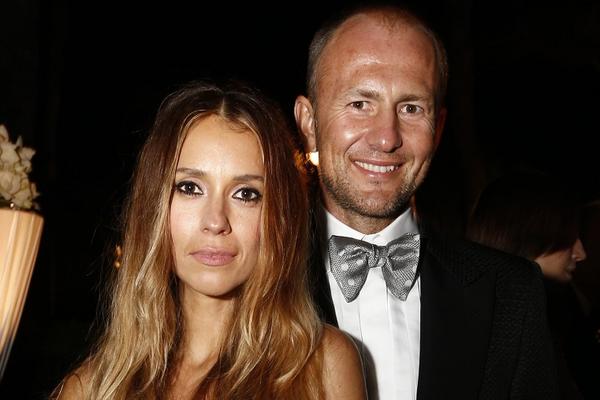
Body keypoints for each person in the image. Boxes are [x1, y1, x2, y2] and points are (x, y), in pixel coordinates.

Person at [293, 3, 558, 399]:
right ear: (309, 123)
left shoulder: (511, 293)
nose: (387, 138)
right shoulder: (250, 280)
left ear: (438, 129)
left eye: (411, 108)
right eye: (360, 104)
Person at [52, 80, 365, 399]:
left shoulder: (323, 368)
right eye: (189, 188)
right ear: (154, 206)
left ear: (280, 218)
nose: (215, 221)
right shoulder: (90, 389)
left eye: (246, 194)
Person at [467, 170, 600, 400]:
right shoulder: (507, 341)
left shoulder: (556, 313)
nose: (581, 254)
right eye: (568, 238)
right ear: (528, 234)